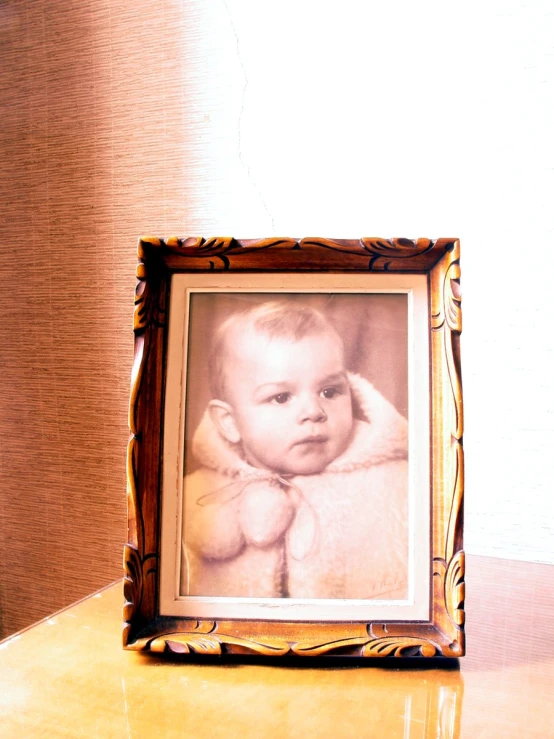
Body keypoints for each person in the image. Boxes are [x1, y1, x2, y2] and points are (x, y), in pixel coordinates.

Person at [180, 300, 409, 600]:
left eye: (329, 392)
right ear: (230, 422)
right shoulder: (195, 496)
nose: (314, 411)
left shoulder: (396, 488)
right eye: (280, 397)